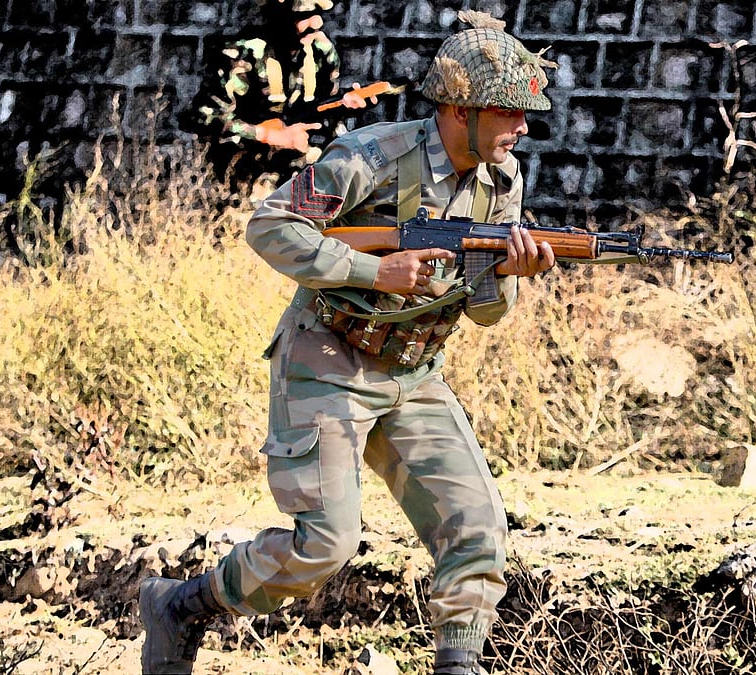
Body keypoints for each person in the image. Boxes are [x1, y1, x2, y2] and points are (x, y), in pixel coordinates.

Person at [141, 10, 557, 675]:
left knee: (476, 527)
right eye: (508, 110)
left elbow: (482, 309)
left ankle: (458, 663)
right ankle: (184, 604)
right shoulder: (372, 156)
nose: (523, 125)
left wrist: (509, 275)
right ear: (458, 110)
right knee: (325, 545)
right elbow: (270, 225)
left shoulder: (500, 186)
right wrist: (374, 270)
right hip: (327, 359)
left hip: (414, 373)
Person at [194, 0, 372, 193]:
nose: (316, 23)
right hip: (250, 170)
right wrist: (272, 136)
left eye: (318, 14)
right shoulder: (246, 55)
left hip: (304, 163)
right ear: (281, 18)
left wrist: (346, 105)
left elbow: (323, 107)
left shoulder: (320, 51)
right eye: (304, 17)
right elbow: (207, 118)